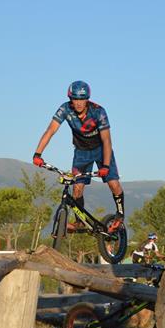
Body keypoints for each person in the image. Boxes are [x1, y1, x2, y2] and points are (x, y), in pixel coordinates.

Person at [32, 80, 125, 229]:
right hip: (81, 152)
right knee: (76, 188)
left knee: (113, 183)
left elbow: (107, 140)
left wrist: (106, 166)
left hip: (101, 150)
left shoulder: (98, 111)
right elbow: (50, 131)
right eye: (75, 99)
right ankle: (80, 221)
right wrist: (38, 154)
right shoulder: (65, 109)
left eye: (82, 99)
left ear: (87, 99)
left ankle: (120, 214)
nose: (79, 103)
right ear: (71, 99)